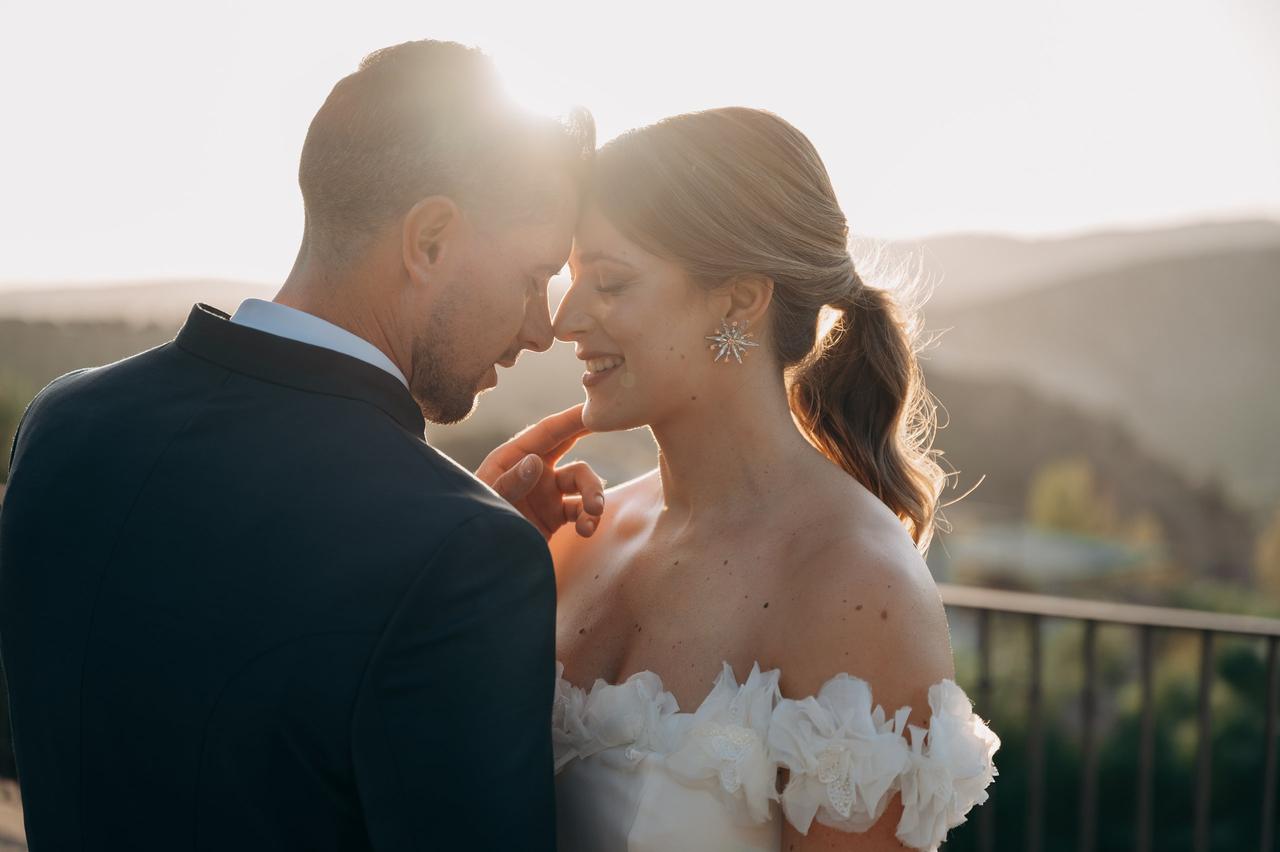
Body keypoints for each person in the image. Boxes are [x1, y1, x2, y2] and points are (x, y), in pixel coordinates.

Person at [0, 40, 602, 851]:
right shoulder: (460, 556)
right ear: (429, 239)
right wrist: (468, 554)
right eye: (533, 276)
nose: (540, 329)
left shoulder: (63, 423)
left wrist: (464, 537)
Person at [535, 107, 1000, 851]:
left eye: (611, 282)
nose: (565, 319)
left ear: (741, 298)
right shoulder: (569, 536)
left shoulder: (854, 587)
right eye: (570, 279)